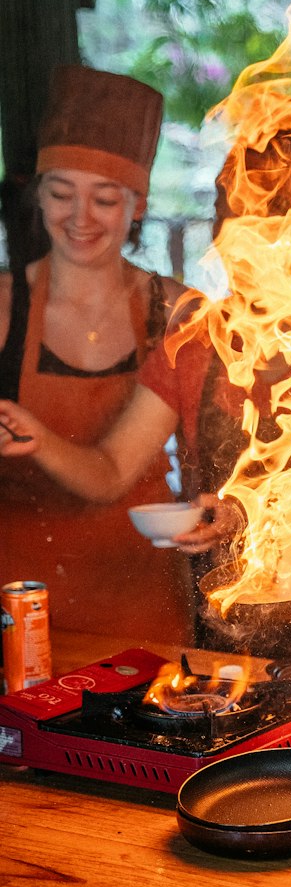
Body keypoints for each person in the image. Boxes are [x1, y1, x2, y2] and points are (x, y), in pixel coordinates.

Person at [0, 141, 291, 680]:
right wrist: (39, 439)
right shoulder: (196, 340)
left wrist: (246, 516)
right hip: (237, 638)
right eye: (230, 226)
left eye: (269, 233)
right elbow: (109, 471)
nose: (243, 250)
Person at [0, 65, 194, 643]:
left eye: (104, 199)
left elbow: (119, 471)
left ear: (138, 204)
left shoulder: (176, 311)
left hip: (143, 602)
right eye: (61, 193)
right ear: (37, 196)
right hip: (17, 602)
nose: (80, 218)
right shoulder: (4, 306)